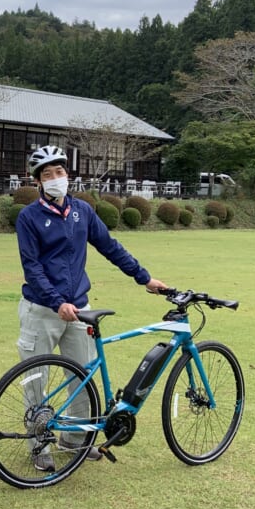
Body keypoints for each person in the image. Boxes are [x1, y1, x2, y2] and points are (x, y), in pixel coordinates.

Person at [15, 145, 167, 471]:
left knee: (82, 378)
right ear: (38, 182)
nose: (55, 179)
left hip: (80, 310)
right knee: (35, 380)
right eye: (47, 174)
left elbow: (110, 247)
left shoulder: (82, 211)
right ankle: (38, 442)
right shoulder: (29, 217)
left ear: (67, 174)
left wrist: (144, 278)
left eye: (59, 172)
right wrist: (57, 302)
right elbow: (33, 268)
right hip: (41, 310)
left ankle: (75, 440)